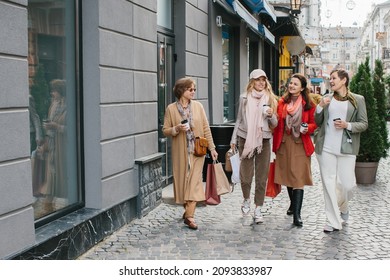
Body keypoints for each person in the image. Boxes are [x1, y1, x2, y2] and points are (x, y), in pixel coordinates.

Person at [314, 69, 368, 233]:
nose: (331, 81)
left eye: (334, 78)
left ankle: (343, 207)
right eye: (330, 78)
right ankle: (332, 220)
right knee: (328, 184)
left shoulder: (357, 100)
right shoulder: (327, 99)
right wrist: (320, 106)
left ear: (344, 80)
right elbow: (318, 121)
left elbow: (364, 123)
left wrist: (347, 125)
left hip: (347, 147)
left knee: (347, 185)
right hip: (326, 147)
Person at [162, 77, 218, 230]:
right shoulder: (171, 109)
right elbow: (165, 130)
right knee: (183, 182)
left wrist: (212, 149)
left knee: (194, 183)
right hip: (180, 152)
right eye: (190, 89)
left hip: (197, 150)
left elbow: (206, 129)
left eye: (194, 89)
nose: (193, 92)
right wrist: (177, 129)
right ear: (182, 90)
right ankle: (187, 209)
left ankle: (190, 216)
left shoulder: (198, 106)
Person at [230, 69, 278, 224]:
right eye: (258, 80)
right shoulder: (244, 98)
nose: (261, 83)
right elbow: (238, 119)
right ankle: (246, 199)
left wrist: (271, 115)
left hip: (264, 139)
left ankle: (258, 208)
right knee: (245, 176)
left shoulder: (270, 98)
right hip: (245, 138)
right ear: (252, 81)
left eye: (263, 80)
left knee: (262, 176)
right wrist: (233, 139)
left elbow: (275, 124)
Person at [273, 73, 317, 227]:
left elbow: (314, 123)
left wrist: (308, 128)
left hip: (300, 143)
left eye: (295, 84)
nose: (291, 86)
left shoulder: (309, 105)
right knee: (287, 176)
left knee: (298, 178)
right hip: (284, 142)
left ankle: (297, 215)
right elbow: (277, 123)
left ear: (302, 87)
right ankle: (293, 203)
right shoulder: (281, 102)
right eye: (290, 83)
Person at [39, 79, 67, 212]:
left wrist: (57, 127)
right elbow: (51, 121)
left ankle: (54, 203)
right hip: (52, 143)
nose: (52, 93)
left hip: (63, 146)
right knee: (51, 173)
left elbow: (74, 129)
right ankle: (48, 205)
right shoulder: (53, 104)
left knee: (60, 174)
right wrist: (48, 129)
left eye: (54, 91)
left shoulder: (68, 105)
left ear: (60, 91)